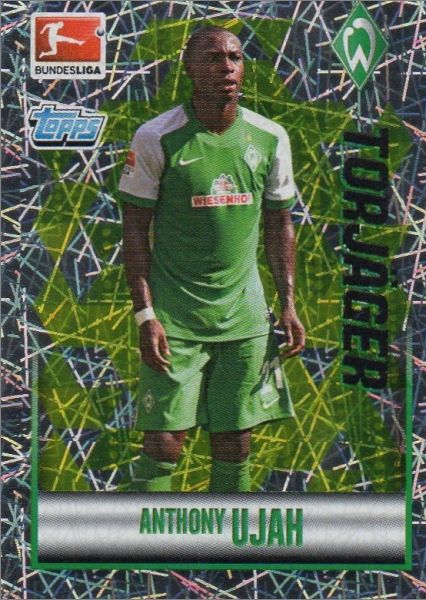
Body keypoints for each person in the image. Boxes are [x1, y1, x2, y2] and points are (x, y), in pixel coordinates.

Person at [119, 26, 305, 493]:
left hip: (245, 317)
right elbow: (134, 231)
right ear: (189, 68)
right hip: (175, 318)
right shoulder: (156, 137)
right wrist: (145, 315)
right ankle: (143, 536)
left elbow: (279, 223)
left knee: (234, 442)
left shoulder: (270, 136)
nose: (226, 67)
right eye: (212, 57)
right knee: (164, 443)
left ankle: (229, 536)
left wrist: (288, 303)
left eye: (234, 57)